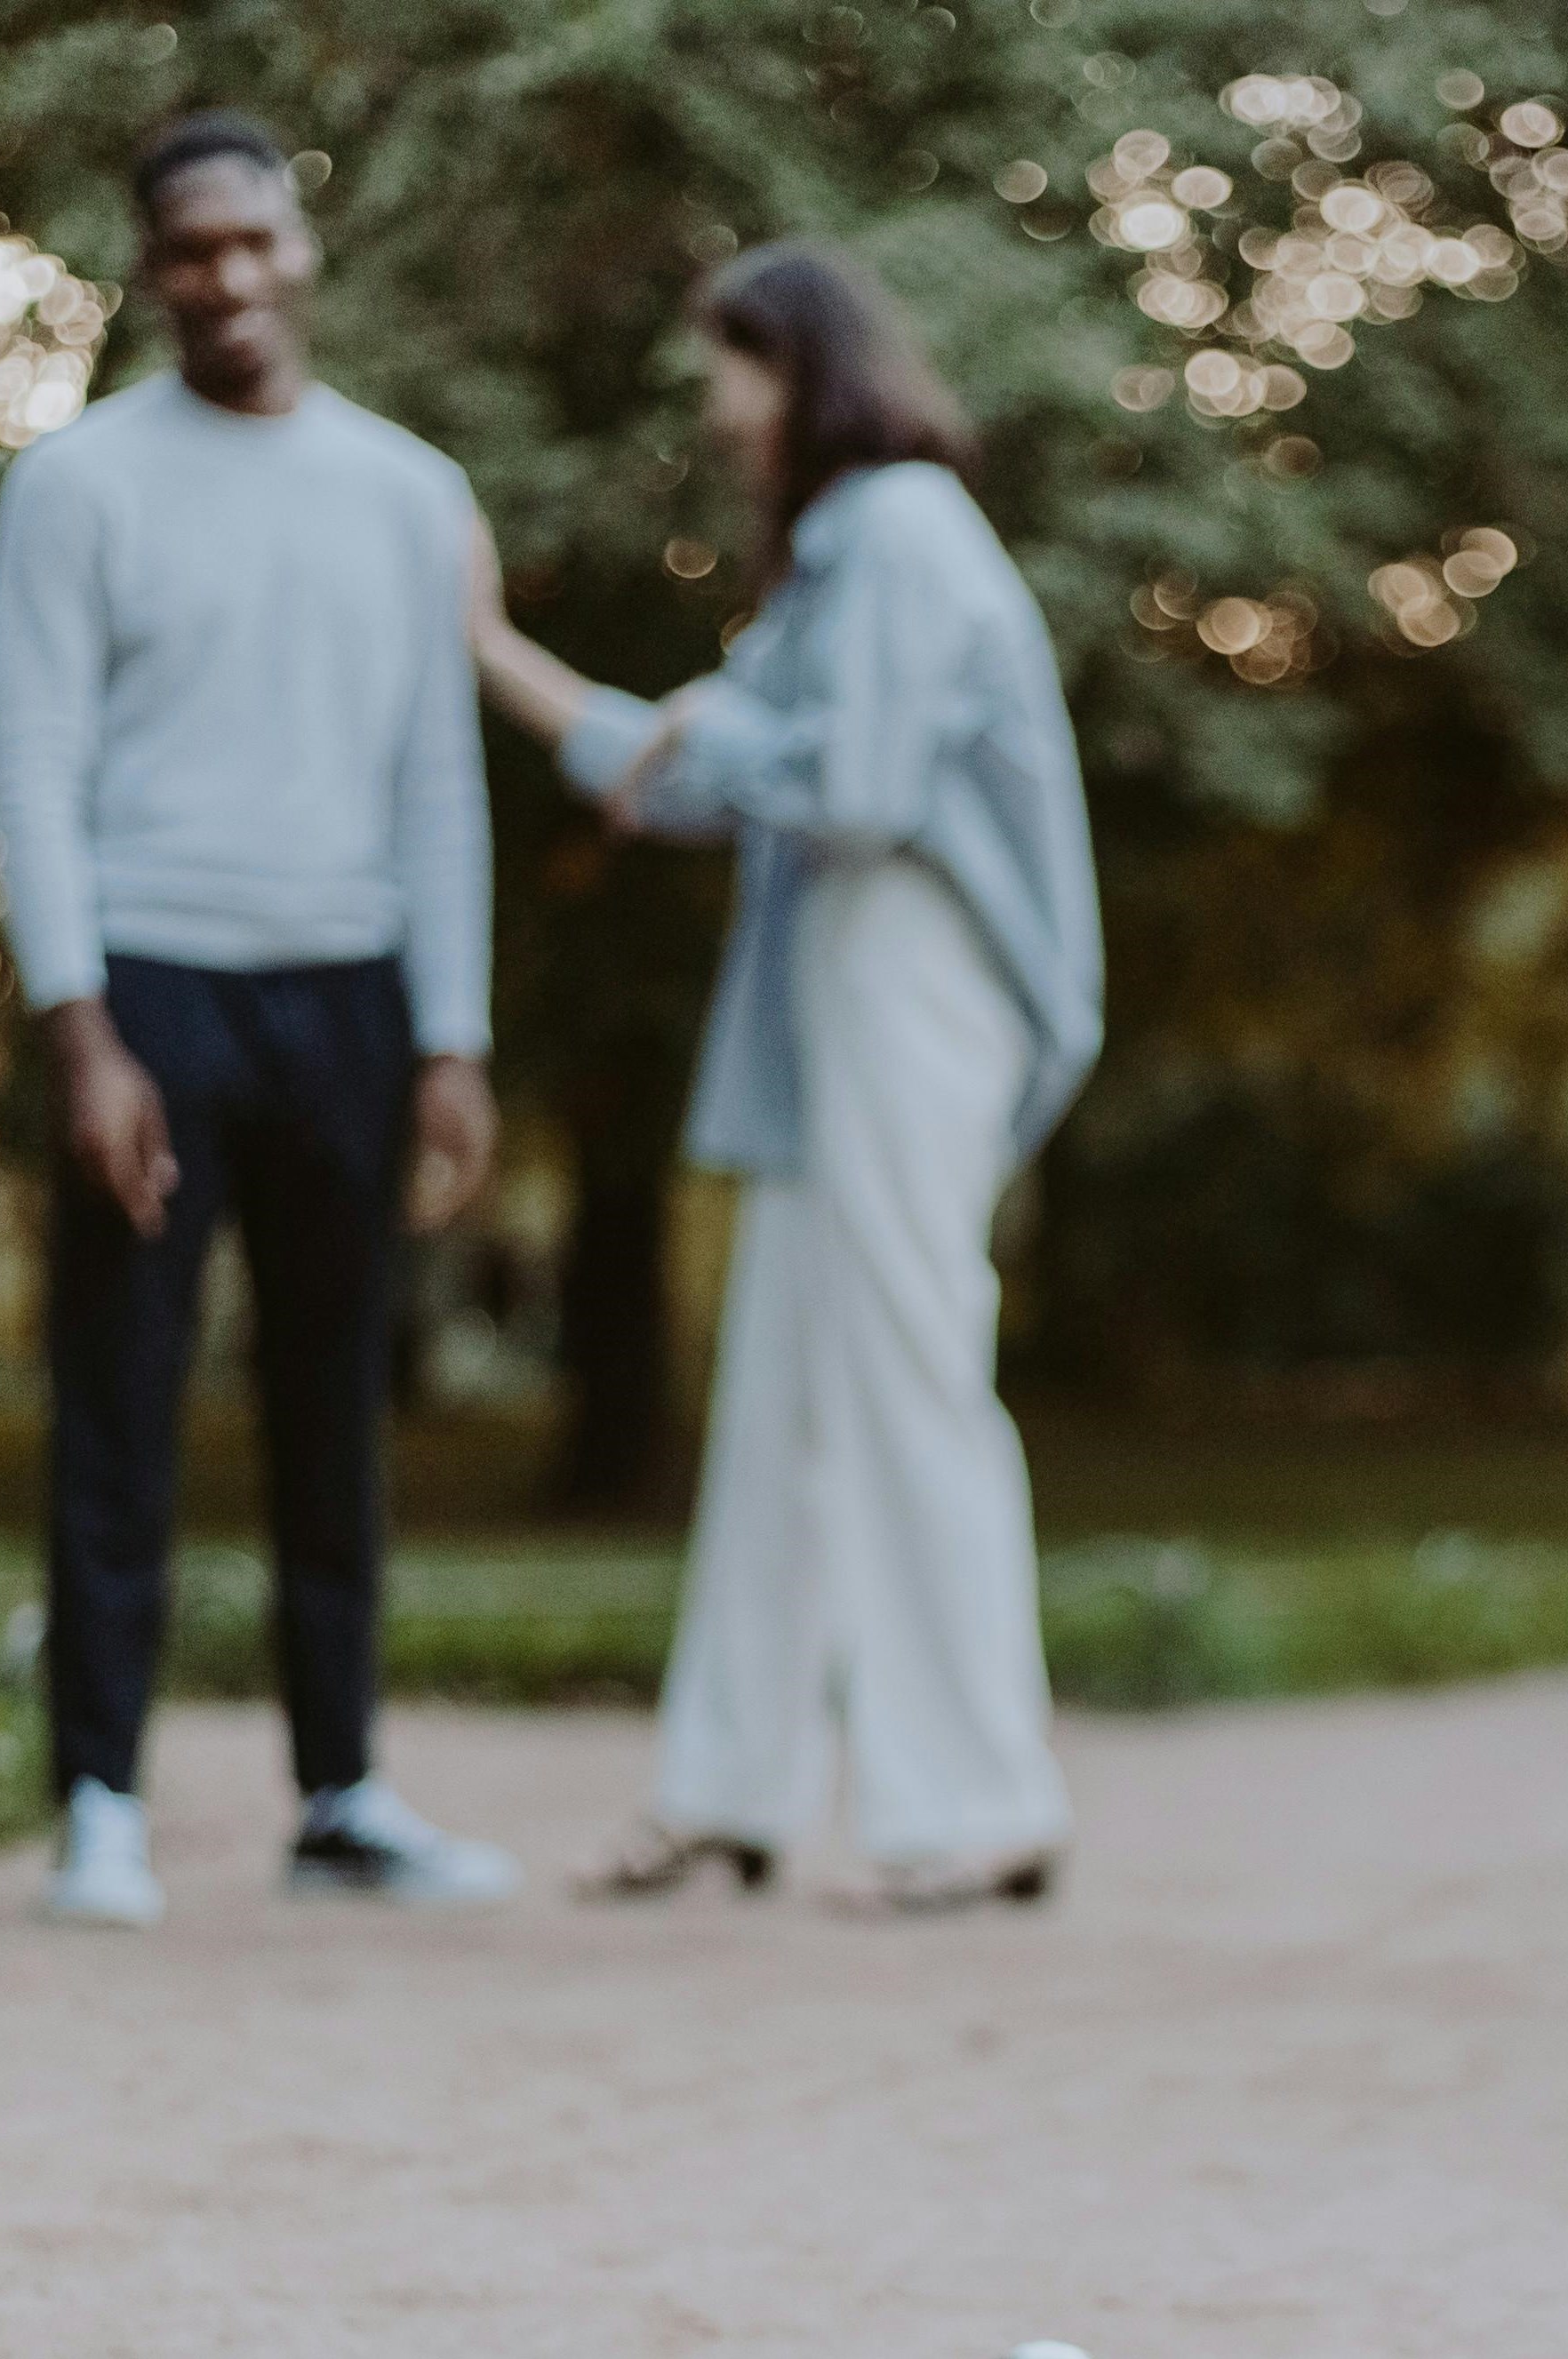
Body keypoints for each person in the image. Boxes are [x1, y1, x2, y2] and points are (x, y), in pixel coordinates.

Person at [471, 242, 1101, 1909]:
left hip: (913, 975)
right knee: (783, 1400)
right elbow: (683, 779)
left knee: (906, 1377)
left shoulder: (897, 532)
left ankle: (981, 1796)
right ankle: (728, 1782)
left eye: (730, 376)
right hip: (845, 989)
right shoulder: (837, 564)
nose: (716, 413)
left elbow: (864, 789)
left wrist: (699, 729)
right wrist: (494, 653)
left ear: (800, 370)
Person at [0, 111, 519, 1923]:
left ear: (301, 246)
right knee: (122, 1394)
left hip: (351, 997)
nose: (221, 276)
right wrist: (82, 1032)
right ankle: (103, 1805)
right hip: (151, 985)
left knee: (333, 1400)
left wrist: (453, 1037)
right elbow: (35, 767)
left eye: (248, 241)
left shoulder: (413, 491)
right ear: (150, 270)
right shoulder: (78, 486)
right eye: (184, 249)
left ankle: (342, 1793)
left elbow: (440, 778)